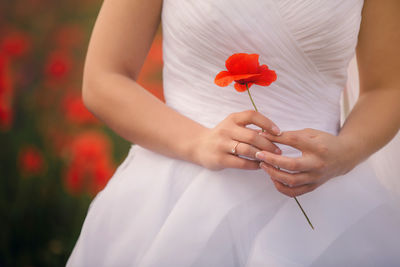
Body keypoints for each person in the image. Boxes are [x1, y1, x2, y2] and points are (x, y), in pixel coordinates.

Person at [67, 0, 400, 266]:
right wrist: (198, 142)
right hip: (176, 199)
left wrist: (346, 153)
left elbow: (387, 88)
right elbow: (103, 78)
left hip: (328, 207)